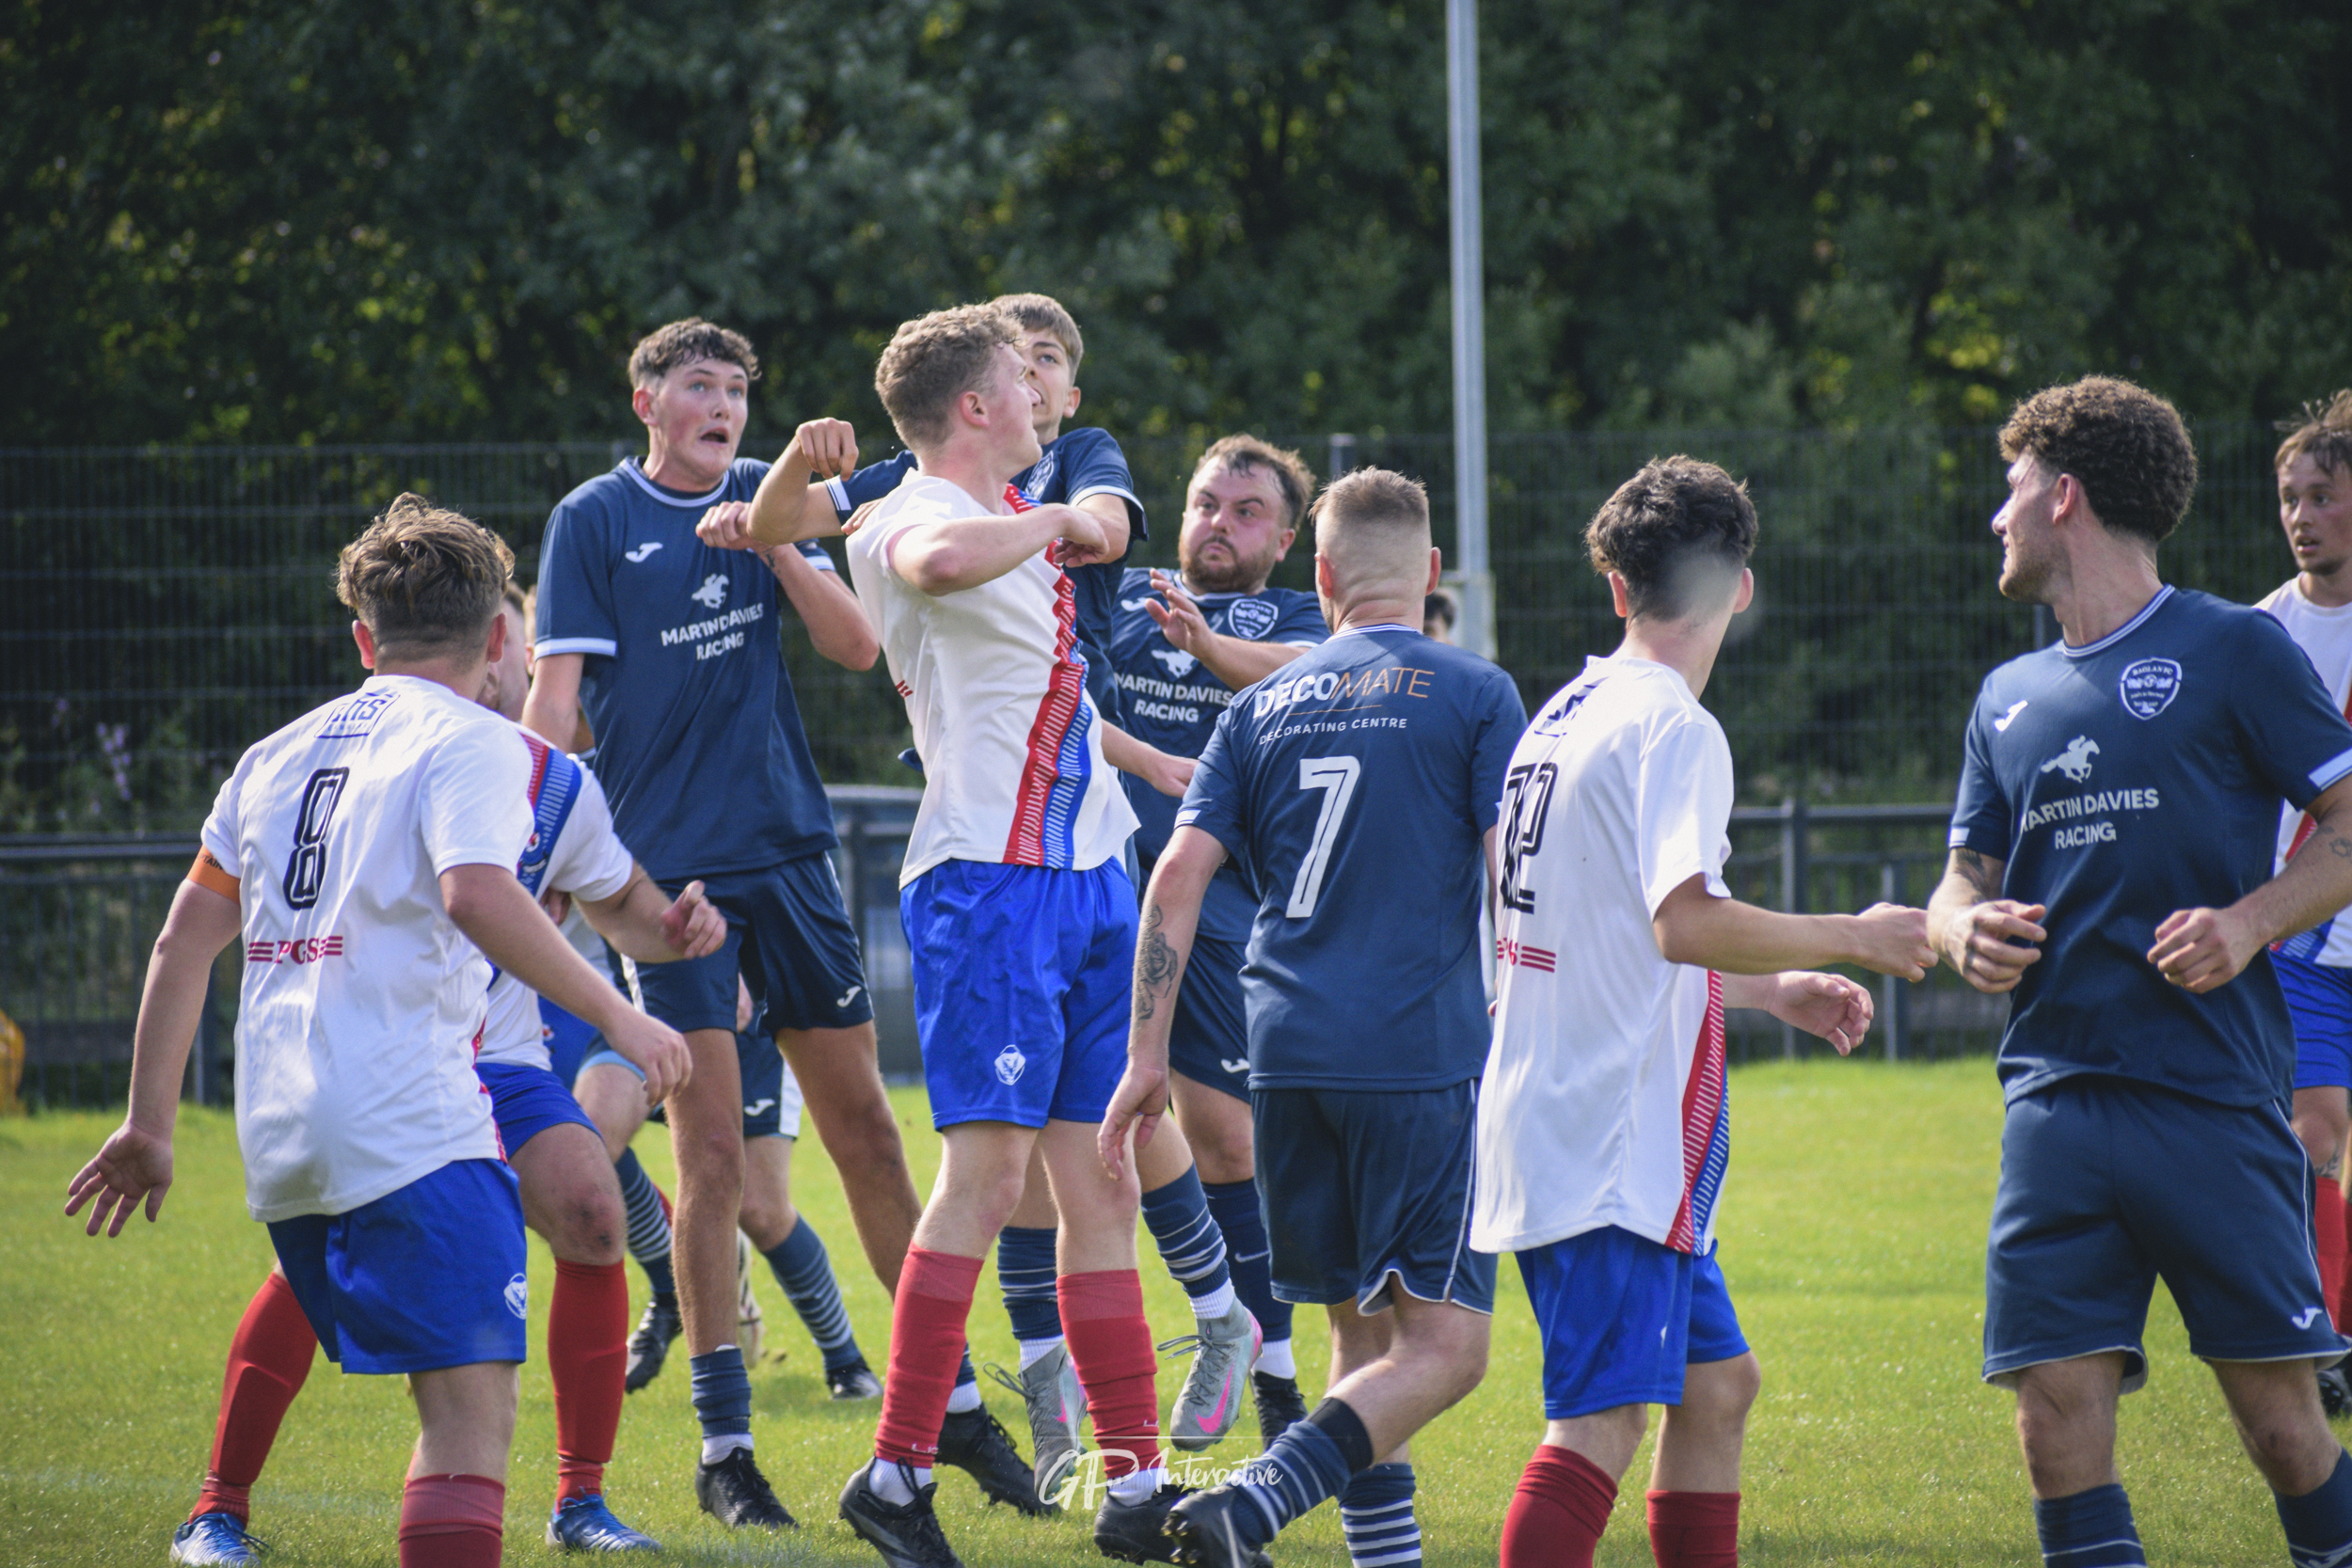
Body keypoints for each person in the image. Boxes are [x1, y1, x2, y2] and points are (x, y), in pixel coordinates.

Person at [69, 498, 691, 1568]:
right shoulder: (476, 743)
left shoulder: (274, 753)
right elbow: (476, 893)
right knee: (467, 1417)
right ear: (498, 639)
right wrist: (620, 1012)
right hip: (416, 1110)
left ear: (365, 639)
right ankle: (218, 1506)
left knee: (582, 1219)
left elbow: (182, 941)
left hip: (287, 1122)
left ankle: (577, 1500)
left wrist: (149, 1125)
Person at [1471, 456, 1933, 1568]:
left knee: (1718, 1386)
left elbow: (1619, 930)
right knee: (1598, 1424)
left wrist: (1768, 988)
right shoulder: (1672, 725)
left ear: (1618, 587)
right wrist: (1857, 932)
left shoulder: (1562, 712)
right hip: (1609, 1142)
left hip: (1562, 1114)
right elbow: (1684, 921)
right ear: (1741, 586)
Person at [1929, 376, 2352, 1568]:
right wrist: (1958, 929)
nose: (1997, 517)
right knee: (2053, 1421)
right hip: (2051, 1101)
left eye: (2010, 489)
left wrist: (2249, 922)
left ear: (2063, 496)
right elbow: (1956, 879)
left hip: (2208, 1093)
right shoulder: (2004, 697)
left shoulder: (2233, 647)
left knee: (2281, 1427)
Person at [522, 318, 934, 1527]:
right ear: (645, 400)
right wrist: (542, 858)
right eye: (697, 384)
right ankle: (725, 1446)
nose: (722, 406)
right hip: (675, 889)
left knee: (870, 1133)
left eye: (737, 389)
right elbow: (553, 708)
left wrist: (775, 541)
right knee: (711, 1158)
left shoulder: (767, 493)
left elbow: (856, 646)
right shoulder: (594, 519)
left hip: (792, 858)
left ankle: (941, 1403)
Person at [1103, 467, 1528, 1568]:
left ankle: (1380, 1557)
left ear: (1322, 575)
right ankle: (1250, 1499)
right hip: (1416, 1055)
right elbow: (1511, 876)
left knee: (1360, 1337)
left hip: (1282, 1055)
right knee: (1446, 1347)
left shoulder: (1259, 703)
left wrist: (1144, 1054)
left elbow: (1174, 880)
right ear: (1431, 573)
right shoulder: (1477, 690)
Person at [826, 302, 1183, 1568]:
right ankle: (895, 1470)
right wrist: (1055, 519)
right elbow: (928, 567)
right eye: (1017, 381)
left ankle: (1136, 1483)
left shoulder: (1013, 502)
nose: (1041, 394)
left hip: (1088, 876)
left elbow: (1057, 694)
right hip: (991, 883)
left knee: (1104, 1180)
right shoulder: (911, 510)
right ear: (975, 406)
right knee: (983, 1180)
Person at [1105, 435, 1329, 1444]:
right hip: (1090, 881)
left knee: (1230, 1139)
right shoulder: (1121, 587)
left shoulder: (1296, 618)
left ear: (1284, 540)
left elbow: (1305, 670)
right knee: (1081, 1143)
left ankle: (1272, 1370)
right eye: (1205, 503)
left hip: (1215, 896)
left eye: (1246, 512)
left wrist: (1207, 647)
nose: (1218, 524)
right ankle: (1111, 1370)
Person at [574, 974, 880, 1402]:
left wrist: (724, 966)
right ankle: (671, 1287)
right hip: (647, 997)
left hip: (744, 1005)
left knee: (760, 1209)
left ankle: (846, 1361)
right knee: (587, 1143)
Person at [2257, 389, 2352, 1380]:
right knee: (2312, 1134)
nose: (2300, 515)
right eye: (2289, 497)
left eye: (2321, 495)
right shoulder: (2259, 634)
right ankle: (2317, 1341)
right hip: (2308, 934)